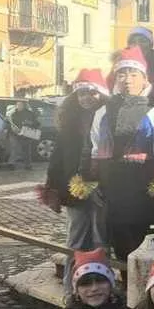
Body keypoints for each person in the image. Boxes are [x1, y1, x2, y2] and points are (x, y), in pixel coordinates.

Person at [88, 47, 154, 265]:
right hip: (112, 183)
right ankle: (125, 281)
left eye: (133, 74)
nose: (127, 80)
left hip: (142, 184)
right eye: (122, 74)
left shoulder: (153, 112)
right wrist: (93, 181)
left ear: (144, 79)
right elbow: (94, 148)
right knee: (118, 237)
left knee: (141, 238)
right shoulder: (102, 112)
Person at [40, 70, 109, 266]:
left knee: (100, 239)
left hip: (101, 188)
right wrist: (52, 187)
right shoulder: (69, 122)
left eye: (92, 92)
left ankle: (100, 284)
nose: (87, 98)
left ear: (102, 93)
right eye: (82, 93)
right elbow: (57, 158)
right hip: (74, 188)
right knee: (76, 239)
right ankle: (72, 289)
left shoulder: (109, 118)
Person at [9, 100, 41, 170]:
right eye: (18, 105)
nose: (19, 106)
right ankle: (12, 164)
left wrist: (30, 124)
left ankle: (28, 165)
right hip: (15, 134)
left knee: (27, 150)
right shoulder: (13, 114)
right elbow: (11, 123)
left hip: (26, 133)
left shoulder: (30, 114)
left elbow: (37, 123)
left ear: (24, 106)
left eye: (20, 105)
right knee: (15, 149)